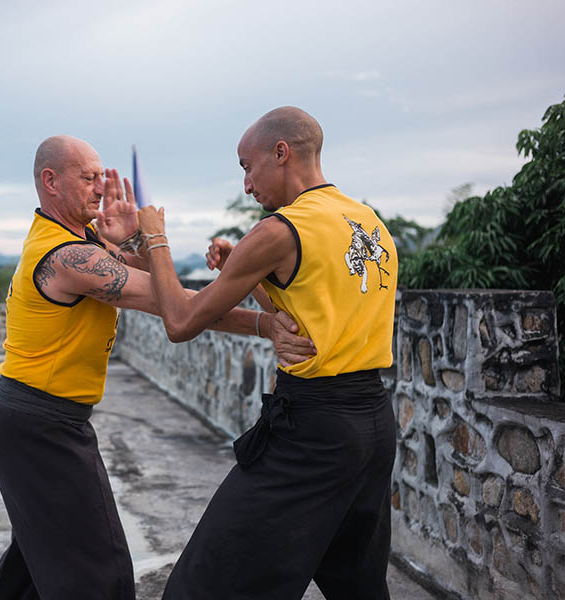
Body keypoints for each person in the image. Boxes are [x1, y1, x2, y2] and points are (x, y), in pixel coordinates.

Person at [0, 134, 316, 600]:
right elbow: (173, 303)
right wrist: (263, 323)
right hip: (40, 430)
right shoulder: (67, 256)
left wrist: (132, 241)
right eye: (87, 177)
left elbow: (150, 279)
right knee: (101, 573)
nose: (99, 187)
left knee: (36, 567)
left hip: (33, 425)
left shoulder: (80, 242)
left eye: (102, 176)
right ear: (50, 181)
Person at [137, 106, 398, 599]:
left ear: (281, 153)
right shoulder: (370, 224)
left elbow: (179, 322)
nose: (247, 186)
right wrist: (245, 267)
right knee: (356, 585)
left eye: (246, 166)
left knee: (203, 584)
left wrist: (156, 239)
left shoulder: (280, 230)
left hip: (312, 428)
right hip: (373, 424)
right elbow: (297, 319)